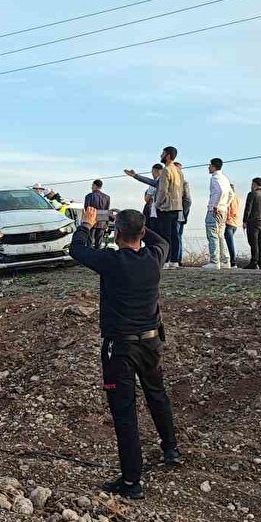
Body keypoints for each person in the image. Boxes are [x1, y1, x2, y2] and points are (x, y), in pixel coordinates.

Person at [68, 207, 181, 500]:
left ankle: (132, 480)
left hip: (119, 347)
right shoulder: (155, 256)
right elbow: (161, 240)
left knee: (124, 411)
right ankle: (171, 449)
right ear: (142, 233)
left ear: (116, 234)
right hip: (151, 342)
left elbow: (77, 250)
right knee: (156, 393)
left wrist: (86, 225)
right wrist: (137, 225)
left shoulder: (111, 261)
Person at [125, 147, 184, 267]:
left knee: (165, 236)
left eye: (163, 153)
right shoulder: (178, 171)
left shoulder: (166, 170)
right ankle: (174, 261)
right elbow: (157, 183)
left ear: (168, 156)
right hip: (177, 207)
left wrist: (157, 204)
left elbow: (162, 190)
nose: (161, 155)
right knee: (174, 236)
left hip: (166, 208)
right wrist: (136, 176)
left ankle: (166, 260)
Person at [203, 158, 233, 270]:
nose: (208, 167)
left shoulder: (214, 178)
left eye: (210, 165)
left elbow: (218, 191)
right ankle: (225, 261)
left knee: (212, 235)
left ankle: (214, 261)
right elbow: (231, 194)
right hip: (223, 209)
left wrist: (215, 205)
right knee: (220, 235)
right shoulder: (225, 178)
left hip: (214, 210)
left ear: (214, 166)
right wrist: (225, 205)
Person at [242, 178, 261, 269]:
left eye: (252, 184)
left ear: (254, 184)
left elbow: (248, 208)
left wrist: (244, 221)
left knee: (253, 242)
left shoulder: (252, 194)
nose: (251, 186)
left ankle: (254, 262)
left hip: (254, 221)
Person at [84, 180, 112, 248]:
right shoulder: (107, 197)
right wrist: (106, 224)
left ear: (94, 185)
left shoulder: (89, 196)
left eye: (92, 185)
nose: (91, 187)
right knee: (98, 243)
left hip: (91, 222)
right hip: (102, 223)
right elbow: (107, 211)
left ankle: (89, 254)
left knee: (89, 243)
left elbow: (87, 210)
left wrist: (85, 223)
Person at [224, 183, 241, 266]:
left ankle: (232, 262)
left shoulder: (230, 198)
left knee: (229, 244)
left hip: (229, 222)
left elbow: (231, 210)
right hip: (235, 223)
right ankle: (230, 261)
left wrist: (226, 218)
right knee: (228, 243)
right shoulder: (237, 198)